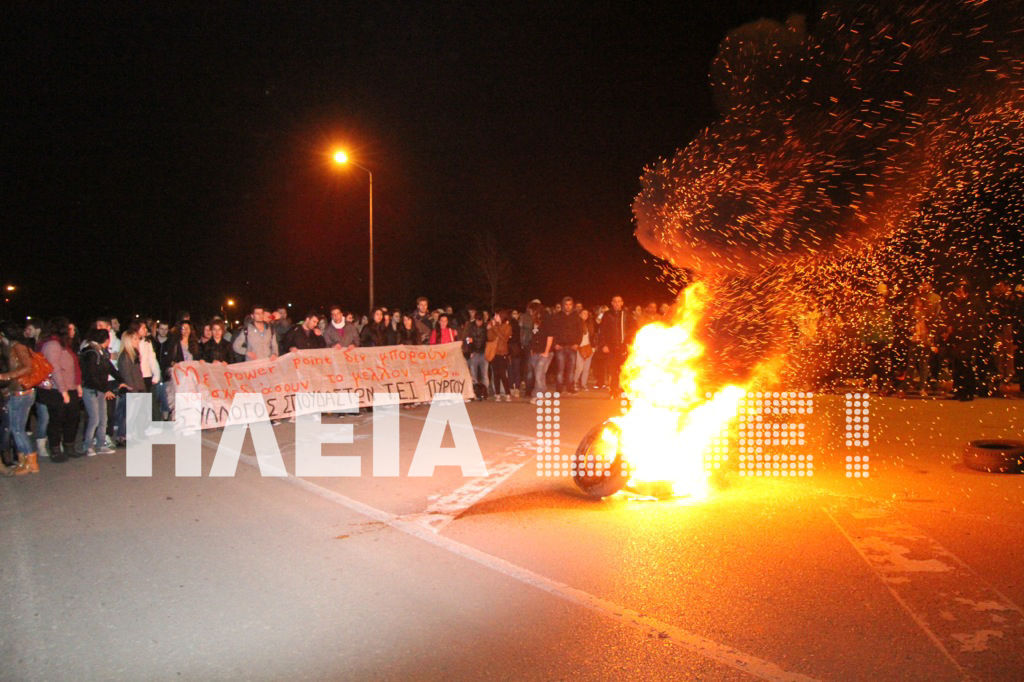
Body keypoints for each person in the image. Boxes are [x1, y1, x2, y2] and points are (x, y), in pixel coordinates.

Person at [37, 317, 83, 462]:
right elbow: (55, 369)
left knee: (73, 418)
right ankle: (55, 449)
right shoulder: (52, 345)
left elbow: (73, 367)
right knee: (56, 420)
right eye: (70, 328)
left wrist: (77, 385)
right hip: (56, 390)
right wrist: (63, 392)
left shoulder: (64, 345)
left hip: (69, 387)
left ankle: (69, 445)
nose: (73, 331)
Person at [79, 327, 128, 456]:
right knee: (94, 418)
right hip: (91, 389)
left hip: (100, 389)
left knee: (103, 418)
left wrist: (121, 380)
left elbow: (110, 368)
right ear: (106, 340)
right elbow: (91, 375)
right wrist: (106, 389)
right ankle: (88, 445)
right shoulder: (91, 352)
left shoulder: (101, 352)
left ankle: (101, 444)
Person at [0, 322, 40, 475]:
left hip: (22, 392)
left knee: (18, 429)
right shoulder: (11, 347)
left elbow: (27, 367)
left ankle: (31, 462)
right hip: (16, 392)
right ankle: (24, 461)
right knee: (16, 428)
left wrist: (6, 376)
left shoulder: (17, 347)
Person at [114, 329, 147, 446]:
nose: (137, 341)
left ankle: (128, 435)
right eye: (135, 339)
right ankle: (121, 437)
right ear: (128, 340)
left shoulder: (133, 354)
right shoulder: (125, 356)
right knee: (126, 415)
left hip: (136, 388)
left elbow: (138, 373)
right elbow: (126, 374)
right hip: (131, 390)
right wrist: (133, 390)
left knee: (132, 415)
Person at [598, 295, 634, 399]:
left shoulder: (626, 315)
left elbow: (632, 330)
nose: (617, 303)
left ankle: (623, 390)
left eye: (619, 301)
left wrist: (629, 343)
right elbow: (602, 331)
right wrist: (603, 345)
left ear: (622, 303)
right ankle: (613, 391)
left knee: (624, 369)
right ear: (612, 303)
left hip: (623, 347)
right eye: (615, 302)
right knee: (613, 370)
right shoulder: (607, 315)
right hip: (611, 347)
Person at [549, 295, 582, 393]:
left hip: (572, 346)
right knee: (560, 369)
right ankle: (559, 388)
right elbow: (552, 331)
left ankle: (570, 388)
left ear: (572, 306)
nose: (568, 306)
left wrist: (577, 343)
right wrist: (555, 344)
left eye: (570, 304)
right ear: (563, 305)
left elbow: (579, 332)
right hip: (560, 346)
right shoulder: (557, 316)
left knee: (571, 369)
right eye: (566, 304)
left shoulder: (576, 317)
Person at [527, 301, 554, 400]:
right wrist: (532, 349)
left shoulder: (546, 319)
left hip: (545, 351)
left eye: (531, 311)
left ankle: (537, 394)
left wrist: (546, 351)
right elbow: (533, 336)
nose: (529, 313)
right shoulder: (534, 321)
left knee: (539, 373)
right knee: (540, 374)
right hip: (535, 351)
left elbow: (550, 336)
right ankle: (543, 392)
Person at [462, 312, 489, 400]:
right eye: (477, 321)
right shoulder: (470, 327)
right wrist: (470, 350)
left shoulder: (486, 327)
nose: (479, 323)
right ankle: (475, 392)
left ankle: (484, 392)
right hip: (474, 352)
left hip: (483, 352)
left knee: (484, 373)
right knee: (473, 374)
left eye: (480, 321)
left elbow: (487, 339)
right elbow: (467, 338)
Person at [488, 310, 513, 401]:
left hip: (502, 353)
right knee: (496, 374)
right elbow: (490, 338)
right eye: (495, 316)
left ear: (502, 317)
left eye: (497, 316)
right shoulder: (494, 326)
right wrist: (490, 329)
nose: (495, 317)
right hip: (494, 353)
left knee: (503, 373)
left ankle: (507, 393)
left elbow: (504, 338)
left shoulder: (507, 327)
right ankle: (497, 393)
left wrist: (494, 328)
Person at [573, 308, 596, 391]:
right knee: (579, 367)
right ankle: (574, 382)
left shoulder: (590, 324)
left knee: (586, 367)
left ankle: (584, 384)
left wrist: (593, 347)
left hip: (589, 347)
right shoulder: (576, 324)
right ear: (579, 314)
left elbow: (593, 336)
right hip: (580, 347)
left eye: (586, 314)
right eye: (583, 313)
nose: (585, 315)